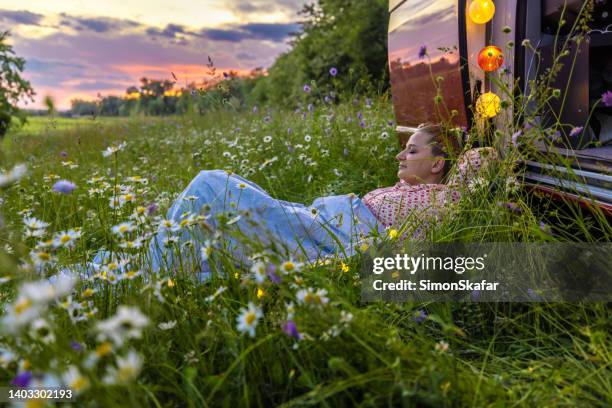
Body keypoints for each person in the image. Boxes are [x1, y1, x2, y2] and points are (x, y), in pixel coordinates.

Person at [142, 123, 464, 281]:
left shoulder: (439, 200)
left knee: (212, 185)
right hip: (315, 218)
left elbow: (481, 160)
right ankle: (156, 262)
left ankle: (151, 268)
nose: (399, 154)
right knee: (219, 199)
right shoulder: (408, 189)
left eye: (412, 150)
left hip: (328, 234)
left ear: (438, 165)